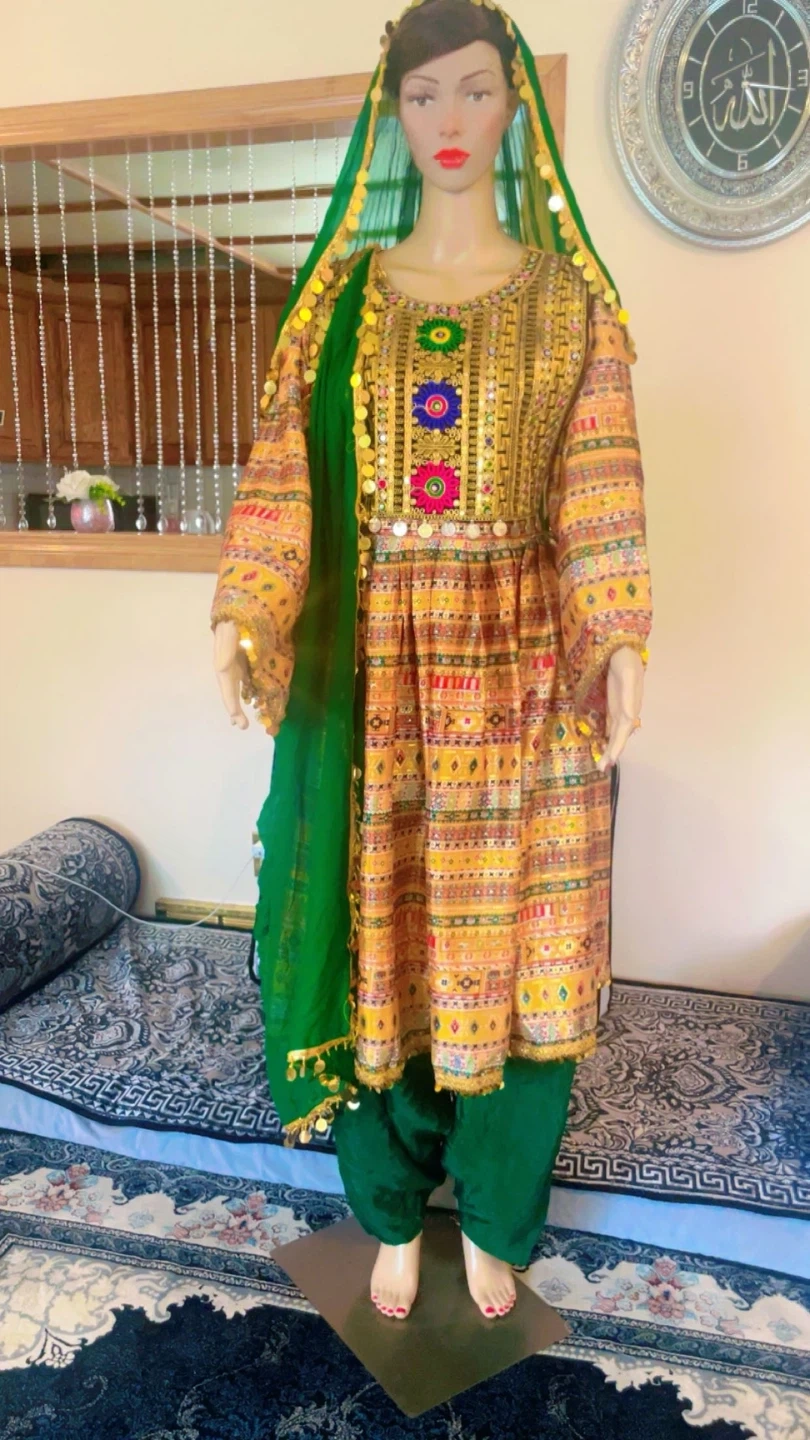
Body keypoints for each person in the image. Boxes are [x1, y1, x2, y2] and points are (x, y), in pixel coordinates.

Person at [211, 0, 652, 1323]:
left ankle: (498, 1220)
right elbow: (282, 475)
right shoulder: (337, 304)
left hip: (526, 682)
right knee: (381, 948)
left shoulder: (571, 304)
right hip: (375, 680)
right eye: (423, 96)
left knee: (528, 953)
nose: (449, 121)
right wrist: (249, 613)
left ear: (513, 107)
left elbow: (598, 485)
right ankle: (394, 1216)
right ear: (389, 114)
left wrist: (618, 631)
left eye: (474, 91)